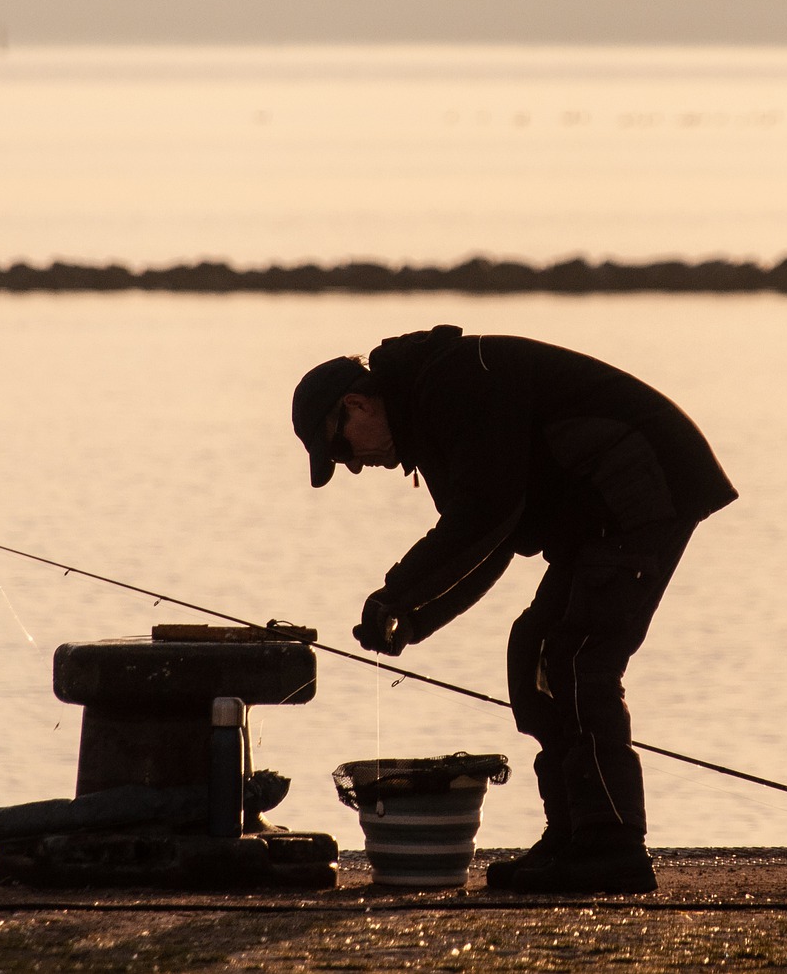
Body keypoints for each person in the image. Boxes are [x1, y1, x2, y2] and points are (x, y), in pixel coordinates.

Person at [292, 324, 736, 894]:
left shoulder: (451, 388)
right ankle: (572, 836)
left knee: (577, 658)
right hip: (597, 514)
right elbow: (492, 539)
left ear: (355, 403)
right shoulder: (430, 414)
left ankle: (613, 847)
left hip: (644, 483)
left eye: (340, 447)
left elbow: (484, 516)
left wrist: (396, 593)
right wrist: (418, 617)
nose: (351, 465)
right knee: (534, 648)